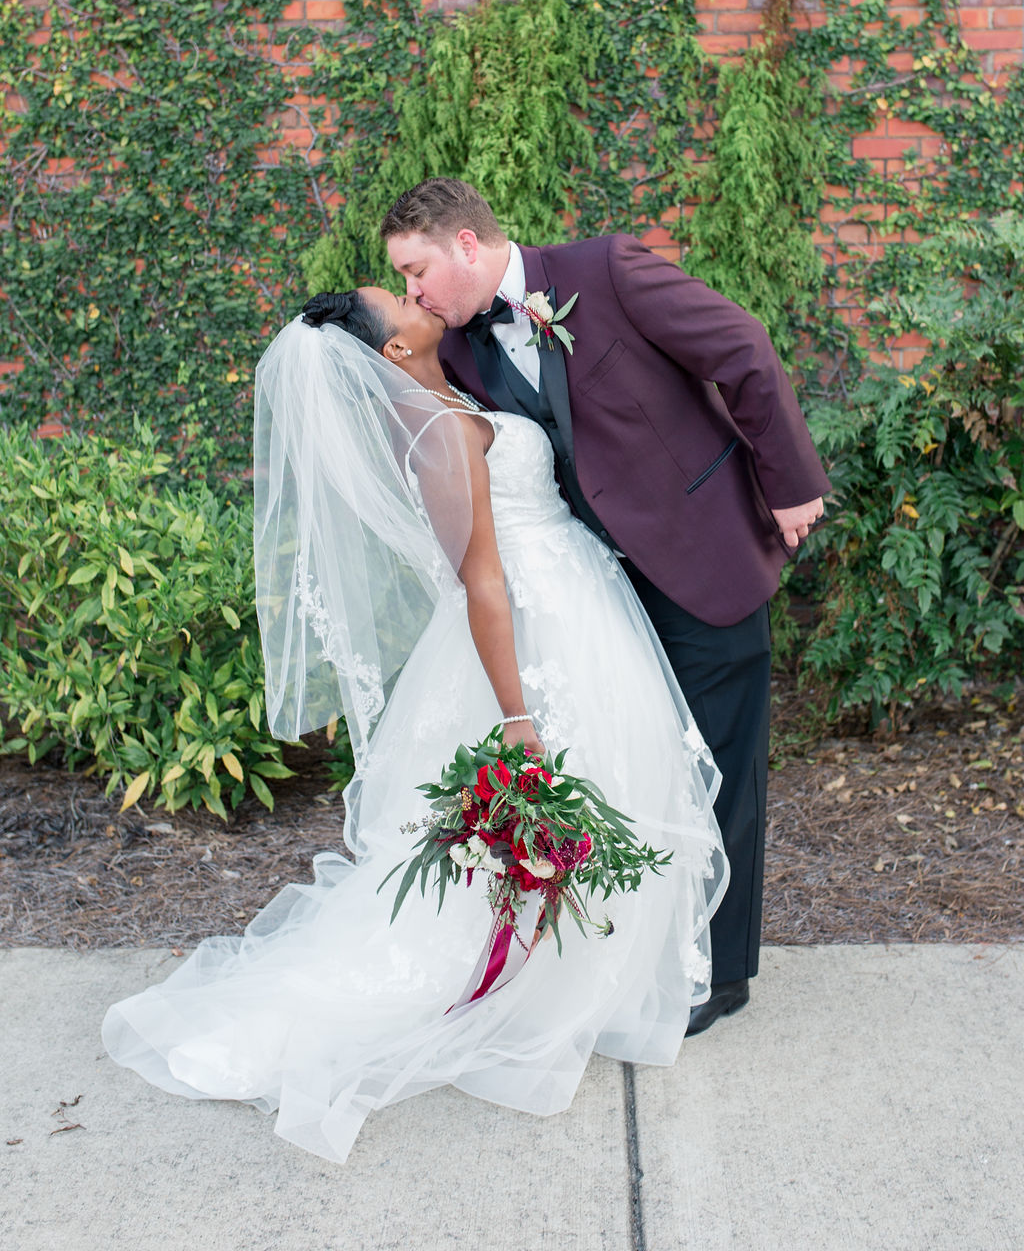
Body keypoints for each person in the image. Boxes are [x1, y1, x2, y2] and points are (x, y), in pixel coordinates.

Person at [101, 288, 728, 1164]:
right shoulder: (436, 431)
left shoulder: (451, 394)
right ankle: (531, 991)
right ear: (392, 352)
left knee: (616, 782)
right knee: (544, 814)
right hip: (526, 636)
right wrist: (515, 715)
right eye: (396, 299)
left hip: (573, 602)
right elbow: (479, 579)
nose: (412, 295)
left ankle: (584, 980)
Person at [382, 178, 829, 1035]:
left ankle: (721, 975)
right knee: (650, 768)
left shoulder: (609, 270)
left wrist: (792, 484)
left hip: (704, 557)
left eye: (418, 271)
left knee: (724, 768)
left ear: (467, 245)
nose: (415, 294)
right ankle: (650, 949)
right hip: (600, 591)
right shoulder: (464, 353)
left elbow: (741, 346)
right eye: (404, 283)